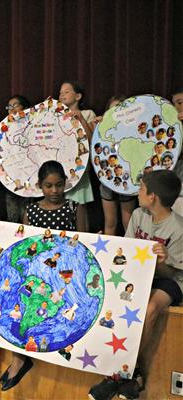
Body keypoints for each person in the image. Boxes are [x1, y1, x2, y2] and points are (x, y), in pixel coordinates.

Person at [89, 170, 183, 400]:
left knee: (150, 309)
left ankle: (118, 374)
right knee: (114, 303)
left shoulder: (178, 228)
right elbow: (128, 255)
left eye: (141, 188)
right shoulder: (139, 215)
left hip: (171, 279)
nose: (136, 193)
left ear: (153, 196)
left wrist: (160, 261)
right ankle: (133, 375)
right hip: (141, 277)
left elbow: (172, 273)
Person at [0, 160, 85, 391]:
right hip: (37, 276)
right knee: (18, 306)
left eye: (59, 185)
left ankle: (25, 360)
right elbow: (28, 245)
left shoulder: (75, 207)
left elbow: (85, 245)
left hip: (66, 276)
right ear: (40, 185)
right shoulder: (32, 210)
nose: (54, 191)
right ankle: (18, 358)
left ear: (66, 184)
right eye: (48, 186)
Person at [95, 95, 137, 235]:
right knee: (110, 222)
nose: (116, 113)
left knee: (128, 222)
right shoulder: (103, 130)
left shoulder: (132, 131)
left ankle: (131, 252)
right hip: (107, 181)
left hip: (127, 181)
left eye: (120, 109)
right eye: (112, 110)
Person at [59, 81, 97, 232]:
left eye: (66, 91)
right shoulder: (57, 116)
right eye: (60, 92)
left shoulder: (88, 114)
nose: (62, 94)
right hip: (61, 169)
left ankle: (82, 237)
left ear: (78, 96)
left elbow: (92, 141)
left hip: (79, 169)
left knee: (79, 208)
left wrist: (81, 119)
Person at [3, 95, 32, 223]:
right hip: (11, 179)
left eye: (16, 105)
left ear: (24, 108)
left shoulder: (33, 125)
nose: (12, 109)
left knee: (26, 216)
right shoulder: (3, 128)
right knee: (13, 217)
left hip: (29, 177)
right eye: (9, 107)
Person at [170, 88, 183, 216]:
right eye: (173, 104)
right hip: (173, 191)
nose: (176, 108)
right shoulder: (171, 128)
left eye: (180, 103)